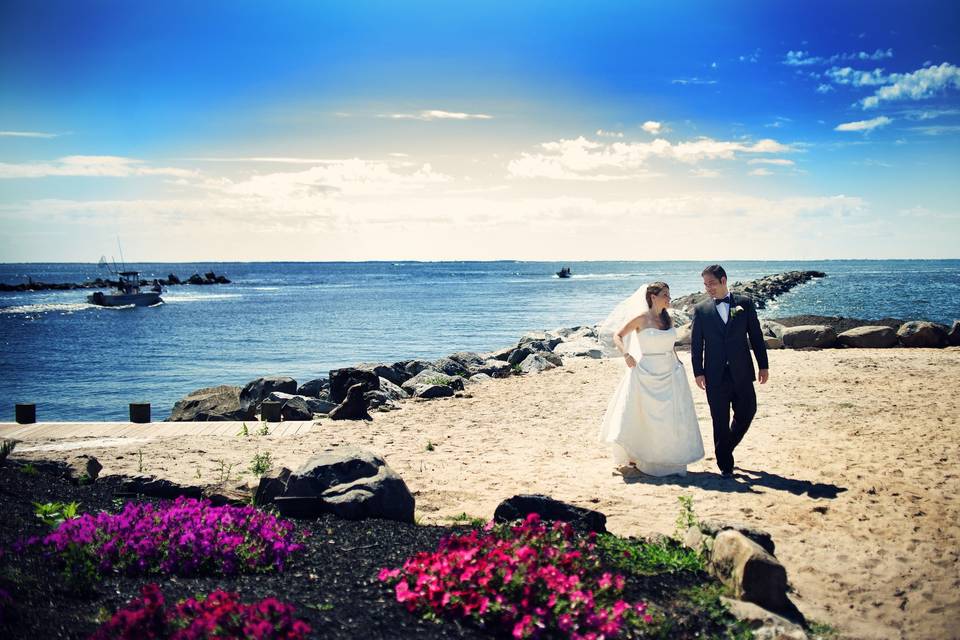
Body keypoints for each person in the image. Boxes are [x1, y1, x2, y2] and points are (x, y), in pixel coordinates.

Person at [598, 282, 704, 476]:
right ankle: (641, 457)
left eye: (669, 294)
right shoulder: (641, 318)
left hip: (670, 372)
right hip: (646, 372)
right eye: (665, 294)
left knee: (669, 419)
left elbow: (670, 345)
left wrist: (678, 362)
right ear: (653, 297)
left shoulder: (667, 319)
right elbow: (617, 336)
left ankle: (668, 458)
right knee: (645, 417)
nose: (669, 298)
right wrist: (627, 355)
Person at [690, 265, 769, 478]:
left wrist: (763, 365)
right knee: (719, 420)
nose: (708, 288)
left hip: (742, 371)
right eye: (705, 284)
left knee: (748, 411)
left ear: (724, 280)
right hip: (714, 374)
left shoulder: (744, 304)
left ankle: (725, 448)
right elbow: (696, 344)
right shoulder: (701, 310)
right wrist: (698, 371)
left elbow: (756, 337)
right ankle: (725, 465)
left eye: (712, 283)